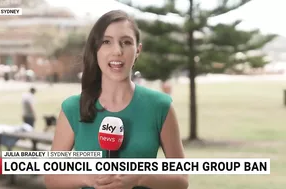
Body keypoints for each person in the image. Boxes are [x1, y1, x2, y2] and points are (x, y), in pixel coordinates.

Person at [44, 10, 188, 189]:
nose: (117, 51)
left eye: (126, 42)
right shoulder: (72, 108)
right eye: (106, 42)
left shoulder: (160, 107)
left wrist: (140, 177)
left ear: (138, 50)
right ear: (96, 49)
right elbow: (51, 178)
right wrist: (88, 178)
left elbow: (181, 180)